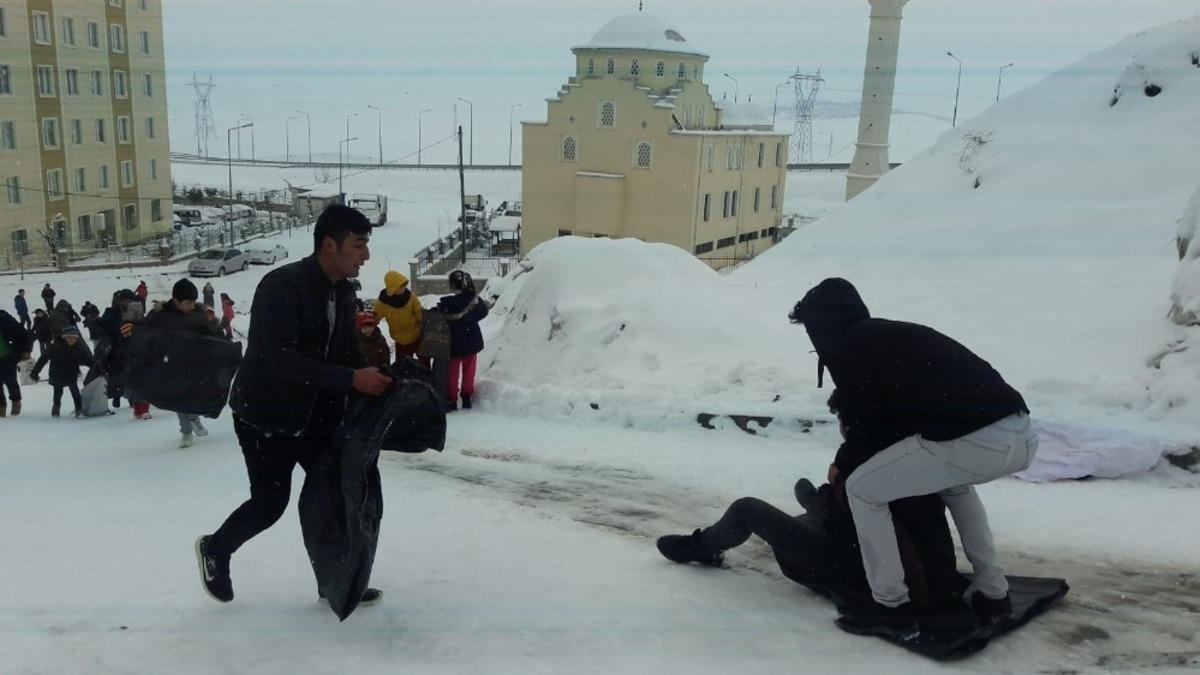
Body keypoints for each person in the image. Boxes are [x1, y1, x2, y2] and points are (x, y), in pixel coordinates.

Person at [787, 278, 1036, 637]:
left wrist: (842, 464)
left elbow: (867, 424)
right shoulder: (886, 336)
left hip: (973, 440)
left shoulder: (848, 349)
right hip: (1020, 431)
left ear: (821, 324)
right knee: (956, 486)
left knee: (862, 491)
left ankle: (891, 606)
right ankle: (993, 592)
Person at [196, 204, 391, 605]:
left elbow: (344, 352)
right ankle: (216, 548)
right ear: (328, 244)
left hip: (315, 414)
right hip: (266, 416)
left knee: (335, 495)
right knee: (270, 504)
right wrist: (352, 379)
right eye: (358, 246)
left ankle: (334, 580)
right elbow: (279, 359)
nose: (365, 256)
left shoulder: (343, 291)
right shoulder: (281, 286)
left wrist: (376, 376)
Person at [138, 279, 221, 447]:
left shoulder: (198, 313)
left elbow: (211, 335)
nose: (192, 306)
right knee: (179, 398)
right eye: (188, 302)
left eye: (193, 302)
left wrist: (222, 343)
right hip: (171, 365)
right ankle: (186, 432)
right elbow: (145, 334)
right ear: (176, 300)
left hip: (196, 364)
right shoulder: (160, 316)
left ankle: (194, 418)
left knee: (195, 395)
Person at [437, 270, 488, 411]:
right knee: (469, 370)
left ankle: (451, 399)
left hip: (453, 343)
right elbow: (484, 311)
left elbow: (437, 319)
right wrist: (469, 320)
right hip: (471, 340)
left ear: (453, 285)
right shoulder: (474, 300)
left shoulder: (445, 305)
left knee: (452, 372)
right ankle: (466, 397)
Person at [31, 326, 93, 418]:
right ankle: (56, 408)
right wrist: (35, 372)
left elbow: (88, 360)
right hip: (57, 374)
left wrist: (98, 367)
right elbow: (42, 359)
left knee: (75, 393)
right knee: (57, 393)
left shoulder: (78, 348)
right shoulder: (55, 347)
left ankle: (79, 410)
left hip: (71, 374)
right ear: (64, 337)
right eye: (69, 337)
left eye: (75, 338)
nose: (72, 340)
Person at [374, 270, 423, 360]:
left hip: (417, 336)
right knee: (402, 366)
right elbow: (374, 320)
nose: (404, 288)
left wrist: (428, 323)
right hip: (400, 340)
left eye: (404, 285)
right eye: (400, 286)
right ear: (393, 287)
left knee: (424, 364)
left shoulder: (411, 297)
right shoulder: (383, 303)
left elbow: (420, 314)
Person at [1, 309, 33, 417]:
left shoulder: (6, 319)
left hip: (8, 357)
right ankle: (1, 406)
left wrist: (26, 351)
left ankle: (16, 402)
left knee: (10, 381)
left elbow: (24, 335)